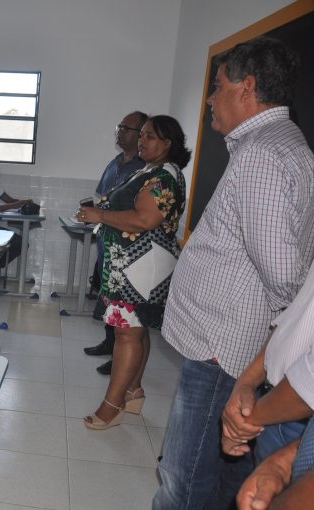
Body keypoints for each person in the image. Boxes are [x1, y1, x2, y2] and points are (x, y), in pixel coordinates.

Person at [153, 37, 314, 510]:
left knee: (182, 479)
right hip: (233, 343)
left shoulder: (262, 154)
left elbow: (284, 273)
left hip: (222, 346)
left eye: (218, 85)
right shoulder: (287, 144)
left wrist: (276, 345)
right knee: (227, 475)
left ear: (247, 88)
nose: (209, 99)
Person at [78, 115, 189, 430]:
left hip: (140, 268)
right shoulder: (150, 170)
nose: (142, 141)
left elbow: (144, 220)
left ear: (168, 143)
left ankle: (111, 408)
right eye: (141, 135)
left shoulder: (164, 176)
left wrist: (99, 215)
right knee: (136, 330)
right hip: (132, 266)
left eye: (150, 136)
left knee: (126, 335)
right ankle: (133, 391)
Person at [220, 257, 314, 469]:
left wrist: (244, 423)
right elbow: (298, 316)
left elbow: (309, 385)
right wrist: (246, 382)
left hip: (300, 423)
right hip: (275, 406)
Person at [84, 111, 148, 376]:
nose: (120, 132)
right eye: (119, 126)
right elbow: (101, 196)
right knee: (108, 297)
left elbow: (140, 213)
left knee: (125, 308)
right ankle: (109, 342)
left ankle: (119, 356)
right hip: (107, 243)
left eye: (126, 128)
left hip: (127, 248)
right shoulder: (115, 162)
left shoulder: (144, 168)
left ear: (141, 135)